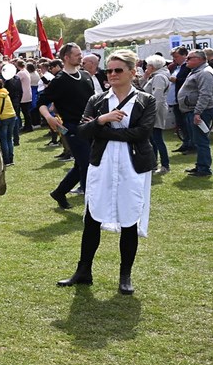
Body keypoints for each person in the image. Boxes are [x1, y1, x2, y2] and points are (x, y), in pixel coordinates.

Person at [58, 50, 155, 295]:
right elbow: (81, 131)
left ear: (133, 73)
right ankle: (83, 271)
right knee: (92, 217)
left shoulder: (145, 100)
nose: (112, 74)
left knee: (130, 218)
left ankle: (125, 276)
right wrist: (102, 120)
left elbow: (142, 133)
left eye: (118, 70)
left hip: (132, 166)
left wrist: (104, 130)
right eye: (109, 70)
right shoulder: (98, 100)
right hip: (102, 163)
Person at [37, 44, 96, 208]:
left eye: (80, 53)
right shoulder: (60, 80)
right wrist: (49, 117)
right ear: (66, 58)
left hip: (90, 125)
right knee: (87, 163)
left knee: (81, 164)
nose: (80, 56)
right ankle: (91, 205)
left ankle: (59, 192)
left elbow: (92, 100)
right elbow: (42, 102)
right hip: (72, 127)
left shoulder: (85, 75)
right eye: (77, 54)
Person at [176, 49, 213, 177]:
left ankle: (204, 168)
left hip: (200, 111)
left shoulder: (204, 73)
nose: (187, 60)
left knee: (201, 140)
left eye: (190, 58)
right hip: (193, 110)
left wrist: (198, 112)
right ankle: (200, 166)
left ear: (200, 59)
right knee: (197, 140)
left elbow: (205, 94)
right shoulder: (197, 71)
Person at [142, 55, 172, 174]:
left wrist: (151, 114)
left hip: (155, 110)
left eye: (148, 65)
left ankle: (164, 165)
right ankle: (154, 163)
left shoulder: (159, 77)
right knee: (153, 138)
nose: (146, 67)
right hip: (155, 109)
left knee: (157, 138)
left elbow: (157, 97)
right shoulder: (158, 75)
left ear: (152, 67)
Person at [0, 79, 17, 166]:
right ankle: (11, 159)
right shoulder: (6, 94)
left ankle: (6, 160)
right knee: (9, 138)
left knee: (3, 139)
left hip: (2, 118)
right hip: (12, 116)